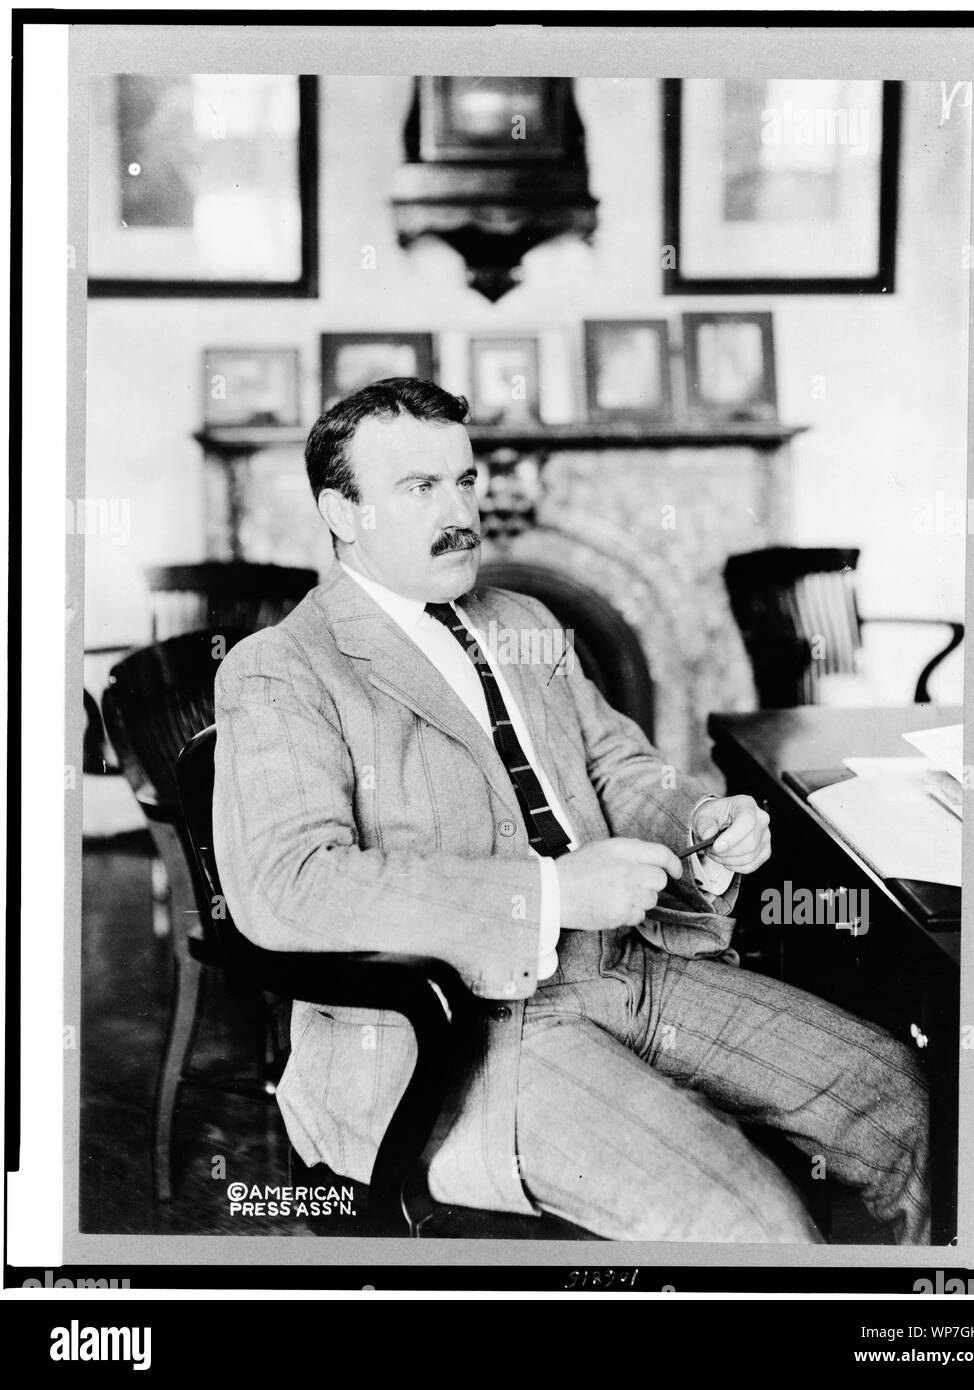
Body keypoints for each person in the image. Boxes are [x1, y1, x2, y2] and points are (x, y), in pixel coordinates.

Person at [212, 377, 930, 1244]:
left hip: (625, 965)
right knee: (744, 1219)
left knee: (893, 1094)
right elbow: (289, 888)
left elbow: (616, 764)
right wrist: (551, 895)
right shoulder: (282, 667)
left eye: (464, 480)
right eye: (419, 488)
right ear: (342, 510)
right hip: (454, 1029)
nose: (459, 509)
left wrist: (694, 823)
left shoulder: (522, 618)